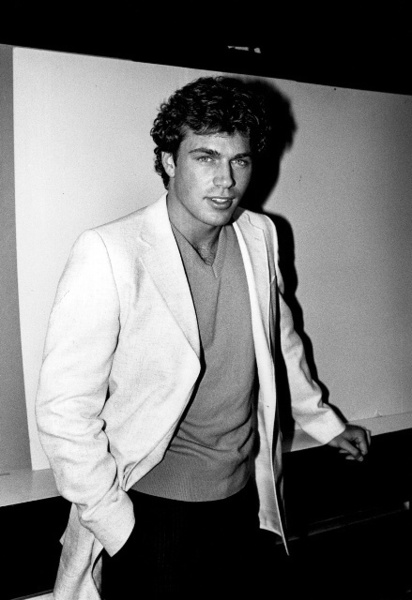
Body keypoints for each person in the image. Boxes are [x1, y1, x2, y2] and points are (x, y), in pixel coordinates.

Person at [36, 75, 370, 599]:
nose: (226, 180)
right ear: (169, 161)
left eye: (240, 161)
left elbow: (279, 338)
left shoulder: (259, 234)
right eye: (206, 157)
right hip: (151, 511)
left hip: (241, 502)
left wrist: (323, 422)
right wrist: (121, 529)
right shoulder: (110, 252)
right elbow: (63, 411)